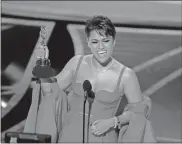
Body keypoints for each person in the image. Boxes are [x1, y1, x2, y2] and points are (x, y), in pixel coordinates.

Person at [24, 15, 156, 143]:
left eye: (106, 41)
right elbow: (49, 93)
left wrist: (113, 122)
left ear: (114, 41)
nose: (100, 47)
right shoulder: (76, 63)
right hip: (70, 136)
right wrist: (42, 61)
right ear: (88, 42)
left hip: (103, 138)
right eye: (95, 42)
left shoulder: (126, 75)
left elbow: (138, 114)